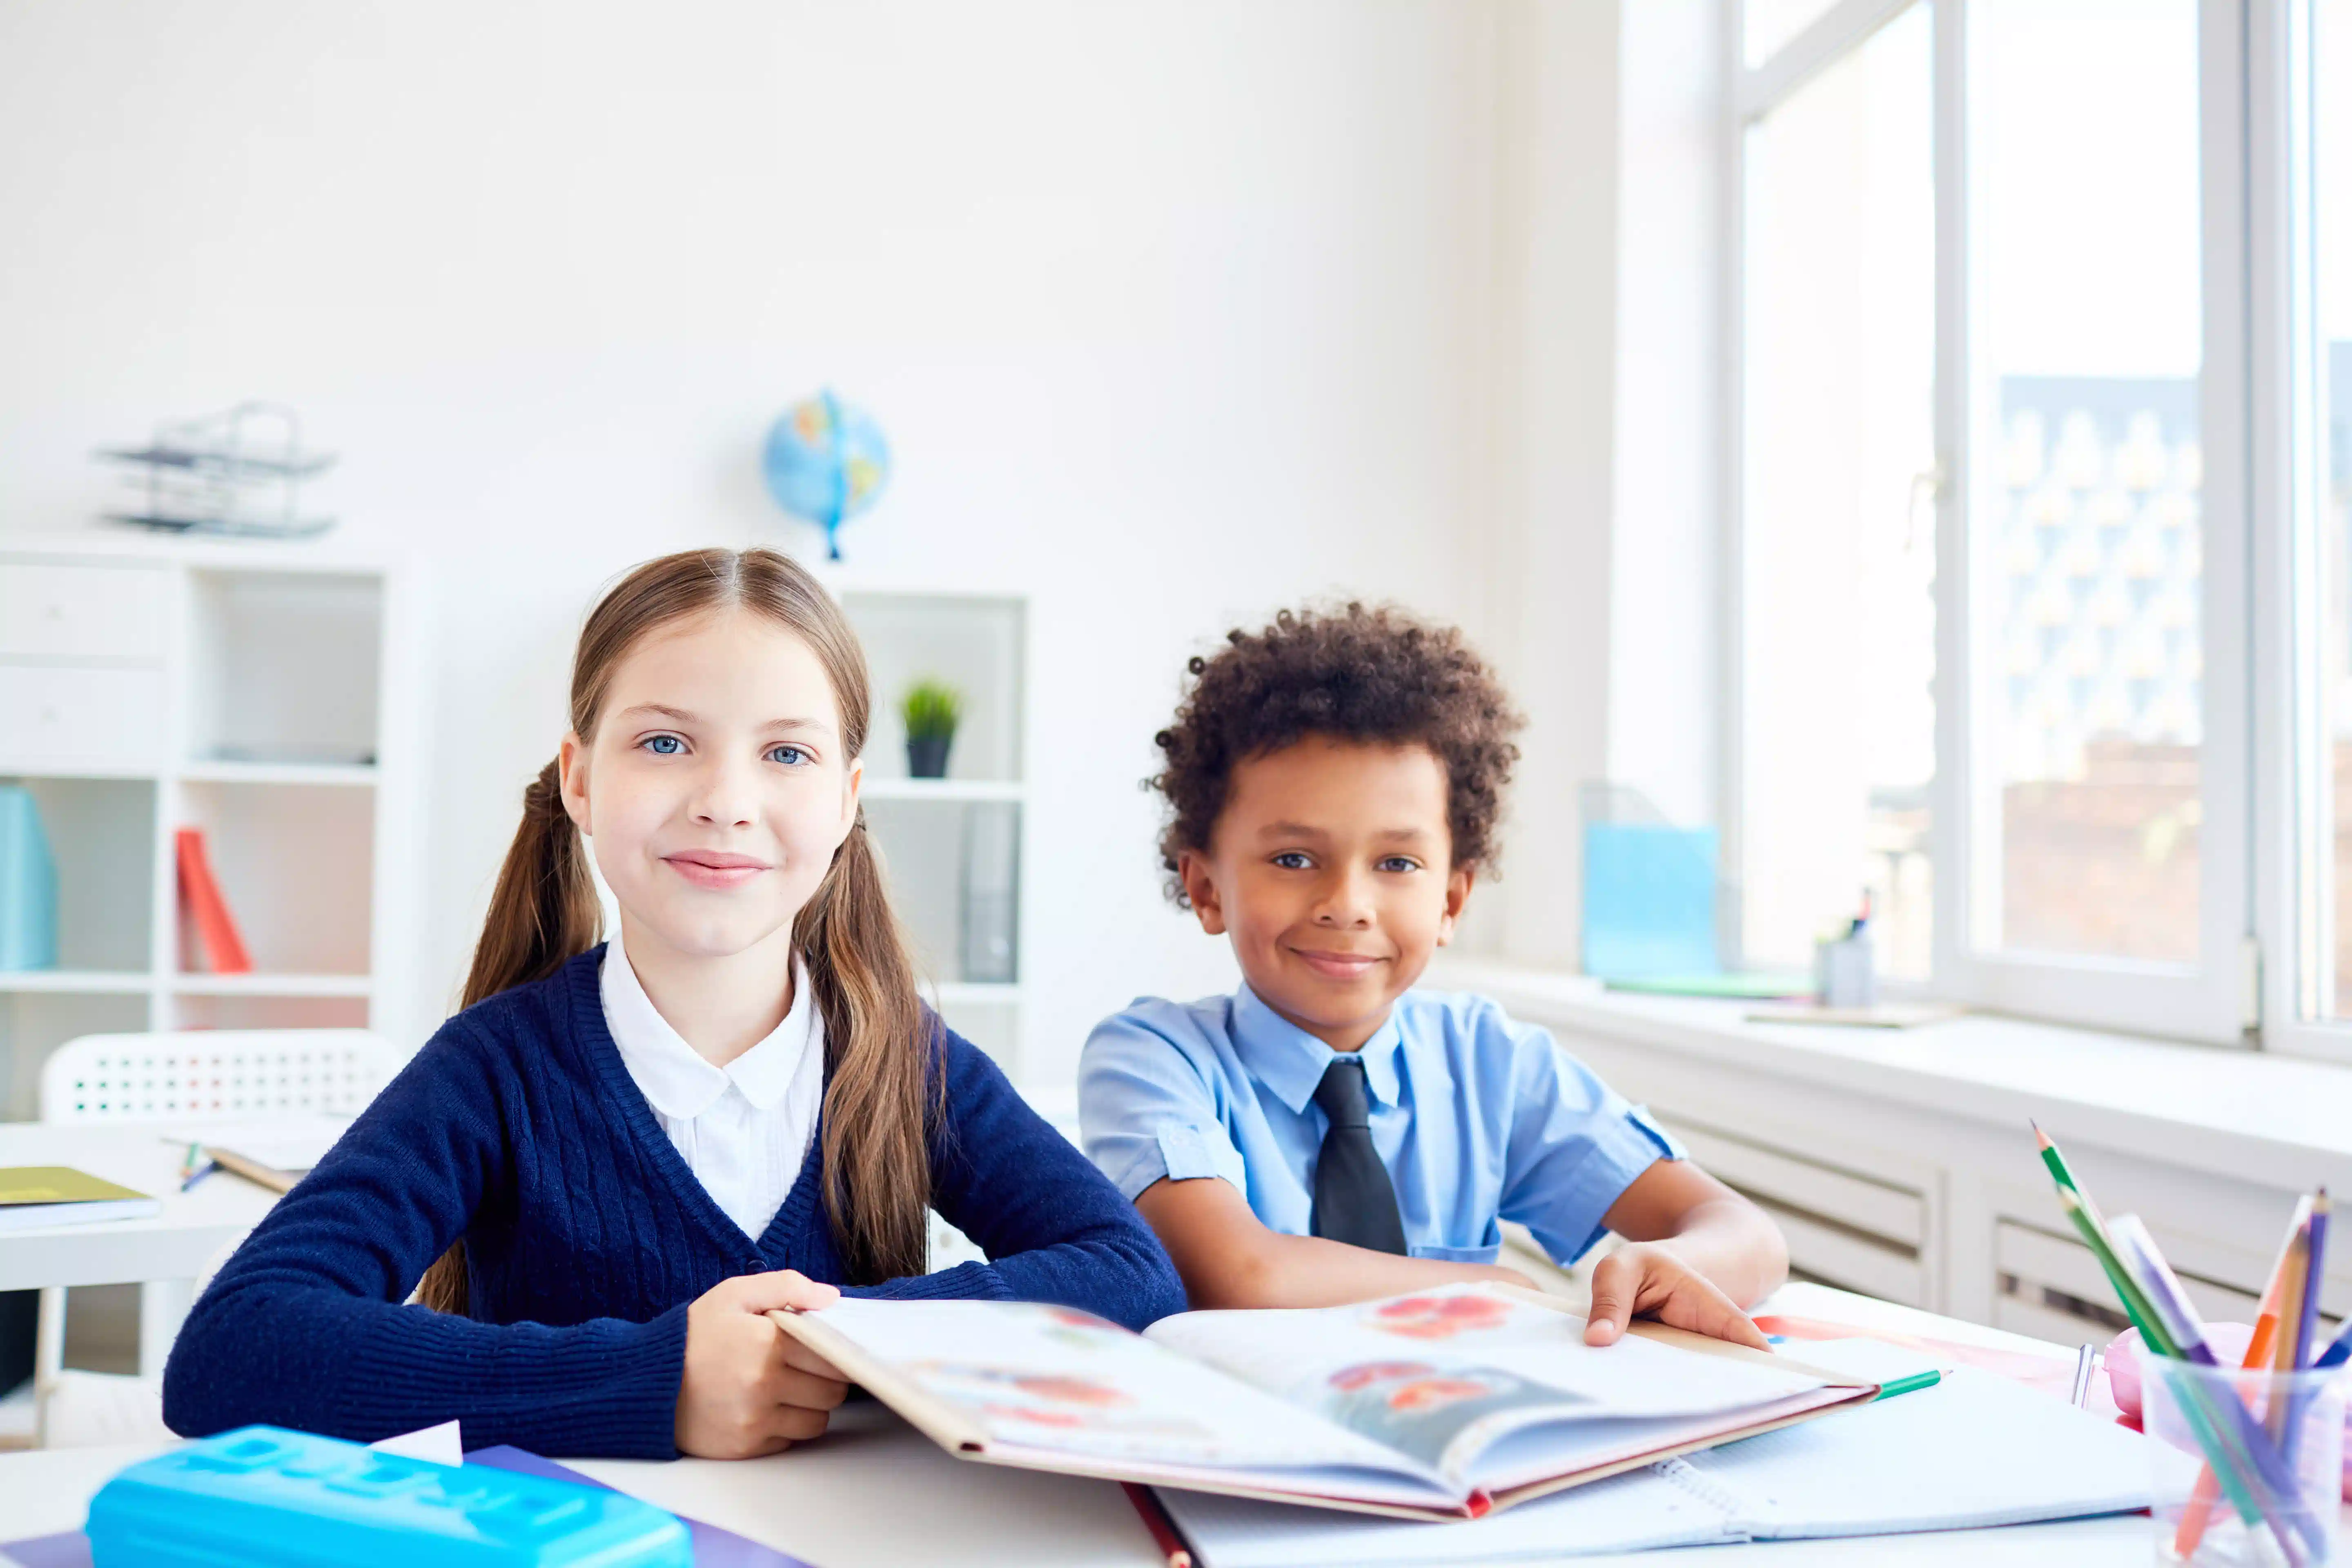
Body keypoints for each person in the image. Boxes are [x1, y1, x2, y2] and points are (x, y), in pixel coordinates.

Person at [166, 547, 1182, 1459]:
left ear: (847, 800)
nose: (725, 800)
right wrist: (650, 1380)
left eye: (787, 754)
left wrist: (835, 1340)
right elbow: (234, 1349)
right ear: (579, 780)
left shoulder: (900, 1056)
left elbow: (1131, 1277)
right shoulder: (493, 1069)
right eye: (664, 744)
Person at [1079, 603, 1785, 1346]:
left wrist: (1670, 1263)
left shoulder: (1490, 1061)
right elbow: (1244, 1277)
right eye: (1294, 859)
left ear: (1451, 900)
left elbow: (1749, 1237)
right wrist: (1503, 1289)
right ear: (1206, 887)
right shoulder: (1153, 1057)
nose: (1347, 906)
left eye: (1397, 864)